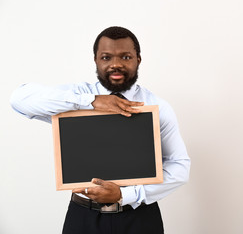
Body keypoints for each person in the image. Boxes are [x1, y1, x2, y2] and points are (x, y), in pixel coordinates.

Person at [10, 26, 190, 234]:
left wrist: (126, 195)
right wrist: (91, 101)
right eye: (106, 57)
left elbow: (180, 166)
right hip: (84, 216)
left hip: (139, 216)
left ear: (138, 59)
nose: (116, 64)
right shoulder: (75, 98)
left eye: (125, 57)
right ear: (96, 60)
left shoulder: (157, 106)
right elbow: (19, 99)